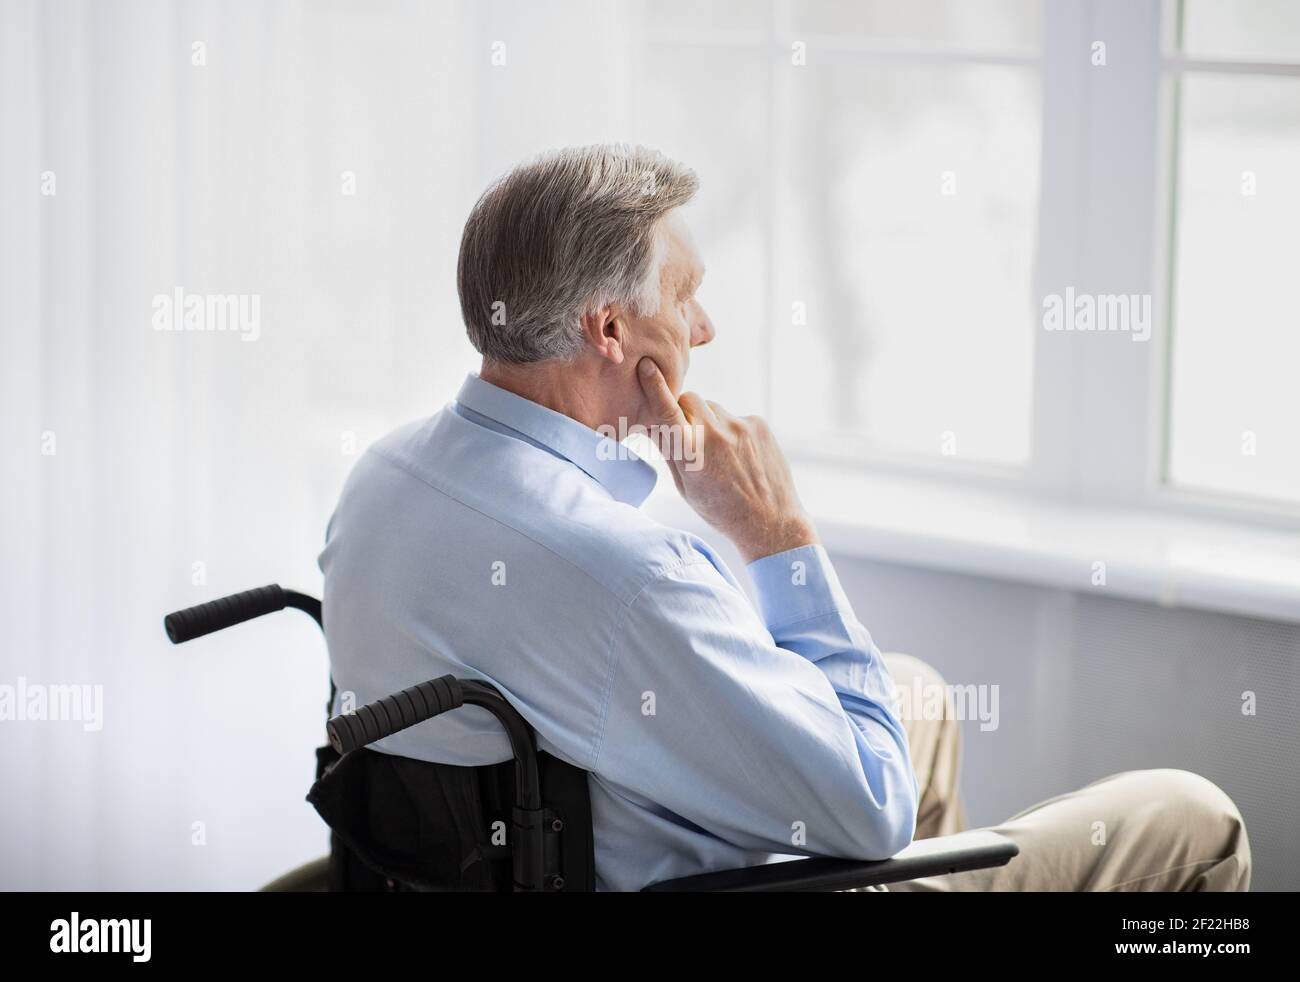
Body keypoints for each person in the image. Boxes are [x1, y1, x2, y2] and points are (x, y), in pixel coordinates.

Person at [319, 144, 1249, 891]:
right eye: (684, 297)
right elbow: (875, 804)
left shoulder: (380, 478)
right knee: (1194, 817)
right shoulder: (629, 577)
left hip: (494, 853)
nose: (705, 328)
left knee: (913, 694)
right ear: (608, 331)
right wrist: (777, 533)